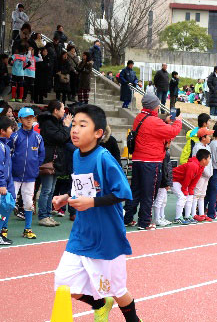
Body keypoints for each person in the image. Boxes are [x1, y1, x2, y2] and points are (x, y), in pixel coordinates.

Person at [52, 104, 143, 322]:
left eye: (82, 125)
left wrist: (91, 202)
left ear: (98, 133)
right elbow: (81, 187)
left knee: (117, 290)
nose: (75, 130)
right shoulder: (76, 156)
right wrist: (66, 197)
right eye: (73, 124)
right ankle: (101, 304)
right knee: (64, 283)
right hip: (82, 233)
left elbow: (124, 192)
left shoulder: (104, 158)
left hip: (107, 236)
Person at [123, 94, 182, 230]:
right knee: (149, 193)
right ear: (154, 106)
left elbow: (153, 127)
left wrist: (164, 121)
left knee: (136, 191)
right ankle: (145, 222)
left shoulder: (140, 118)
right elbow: (172, 132)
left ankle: (127, 218)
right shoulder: (154, 121)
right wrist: (178, 121)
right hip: (151, 161)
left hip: (138, 159)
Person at [9, 107, 45, 239]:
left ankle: (27, 229)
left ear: (34, 118)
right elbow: (9, 154)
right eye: (26, 117)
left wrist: (35, 167)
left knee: (29, 202)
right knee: (9, 202)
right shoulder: (15, 136)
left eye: (31, 117)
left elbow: (41, 155)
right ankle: (3, 229)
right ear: (20, 120)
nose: (29, 119)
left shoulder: (38, 137)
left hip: (30, 177)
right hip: (14, 176)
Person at [37, 101, 72, 227]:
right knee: (46, 189)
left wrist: (65, 127)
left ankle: (48, 214)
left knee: (51, 190)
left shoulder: (55, 122)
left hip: (56, 159)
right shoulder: (48, 123)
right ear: (56, 110)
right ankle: (43, 216)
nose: (64, 112)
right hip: (49, 159)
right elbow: (60, 137)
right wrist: (66, 126)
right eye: (62, 109)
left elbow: (65, 138)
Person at [172, 149, 211, 225]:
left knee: (190, 197)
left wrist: (190, 190)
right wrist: (184, 189)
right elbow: (188, 178)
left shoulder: (201, 166)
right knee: (182, 197)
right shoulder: (193, 165)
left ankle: (187, 216)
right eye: (209, 158)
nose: (209, 160)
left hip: (181, 181)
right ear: (203, 160)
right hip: (174, 179)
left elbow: (194, 181)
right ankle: (177, 218)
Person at [190, 128, 214, 222]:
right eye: (208, 135)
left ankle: (201, 213)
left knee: (202, 195)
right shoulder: (197, 147)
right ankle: (193, 214)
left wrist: (209, 173)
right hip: (200, 175)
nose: (210, 137)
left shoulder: (207, 146)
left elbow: (209, 162)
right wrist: (205, 172)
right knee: (196, 194)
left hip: (207, 175)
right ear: (203, 138)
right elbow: (198, 162)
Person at [0, 116, 15, 245]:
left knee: (5, 208)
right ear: (2, 131)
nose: (12, 130)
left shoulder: (5, 145)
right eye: (10, 128)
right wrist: (2, 184)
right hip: (3, 184)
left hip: (7, 182)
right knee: (2, 208)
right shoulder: (0, 146)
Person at [152, 138, 173, 227]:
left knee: (163, 200)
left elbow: (167, 169)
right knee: (159, 200)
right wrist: (167, 182)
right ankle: (157, 218)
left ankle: (161, 217)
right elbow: (165, 169)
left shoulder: (166, 153)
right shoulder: (164, 154)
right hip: (162, 180)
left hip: (163, 179)